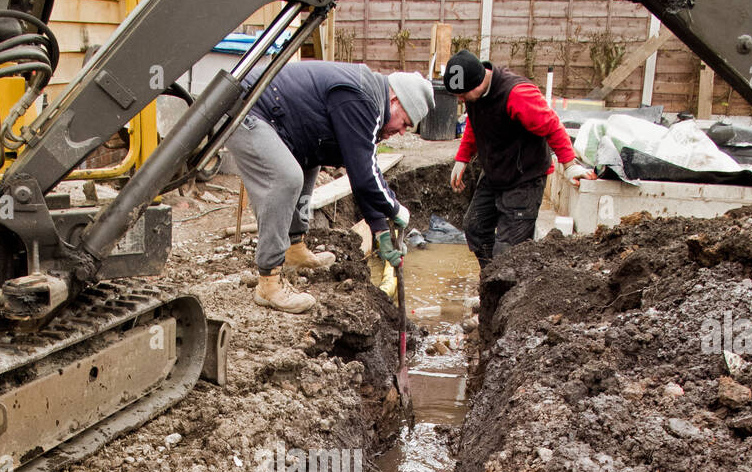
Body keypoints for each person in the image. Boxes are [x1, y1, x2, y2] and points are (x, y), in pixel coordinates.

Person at [228, 61, 436, 312]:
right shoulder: (361, 100)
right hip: (247, 106)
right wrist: (394, 208)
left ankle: (294, 248)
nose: (402, 132)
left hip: (280, 120)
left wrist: (380, 230)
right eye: (405, 123)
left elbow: (364, 168)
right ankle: (269, 282)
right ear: (395, 101)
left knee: (309, 162)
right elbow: (364, 177)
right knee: (286, 178)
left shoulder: (371, 104)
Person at [444, 50, 593, 270]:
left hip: (524, 178)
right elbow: (476, 125)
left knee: (507, 250)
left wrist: (569, 164)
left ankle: (505, 286)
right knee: (474, 227)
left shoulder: (517, 94)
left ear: (477, 83)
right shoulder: (473, 94)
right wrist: (463, 157)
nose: (460, 99)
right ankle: (491, 282)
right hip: (495, 172)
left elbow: (552, 125)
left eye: (463, 95)